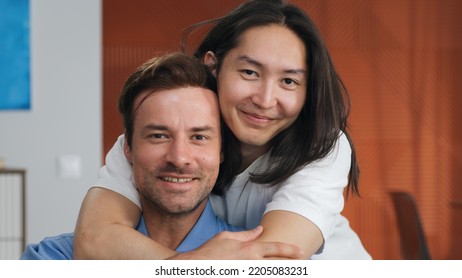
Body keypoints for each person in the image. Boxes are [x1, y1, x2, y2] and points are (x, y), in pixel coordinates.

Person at [74, 0, 371, 259]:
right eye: (249, 72)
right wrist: (183, 267)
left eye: (289, 81)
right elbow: (92, 241)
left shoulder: (322, 147)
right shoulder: (158, 141)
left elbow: (269, 263)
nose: (265, 100)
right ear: (213, 67)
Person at [21, 52, 301, 260]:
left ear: (222, 151)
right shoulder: (53, 258)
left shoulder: (258, 261)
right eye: (158, 135)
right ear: (127, 147)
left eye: (199, 137)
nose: (179, 158)